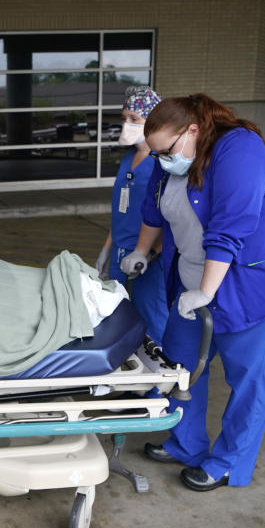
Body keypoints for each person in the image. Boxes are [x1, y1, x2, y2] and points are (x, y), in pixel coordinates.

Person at [120, 93, 265, 491]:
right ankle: (186, 444)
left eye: (167, 150)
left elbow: (232, 225)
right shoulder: (170, 157)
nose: (162, 161)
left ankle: (229, 461)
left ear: (192, 130)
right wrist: (142, 252)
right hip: (193, 279)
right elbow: (152, 210)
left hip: (252, 286)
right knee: (180, 366)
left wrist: (207, 290)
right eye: (156, 153)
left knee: (247, 376)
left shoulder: (239, 149)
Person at [95, 86, 168, 343]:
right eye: (124, 118)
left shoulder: (163, 163)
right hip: (120, 252)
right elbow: (121, 210)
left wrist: (148, 253)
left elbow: (167, 217)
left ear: (153, 122)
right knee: (116, 319)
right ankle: (126, 375)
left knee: (150, 322)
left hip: (147, 258)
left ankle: (156, 383)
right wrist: (106, 251)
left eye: (134, 119)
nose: (127, 124)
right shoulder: (128, 159)